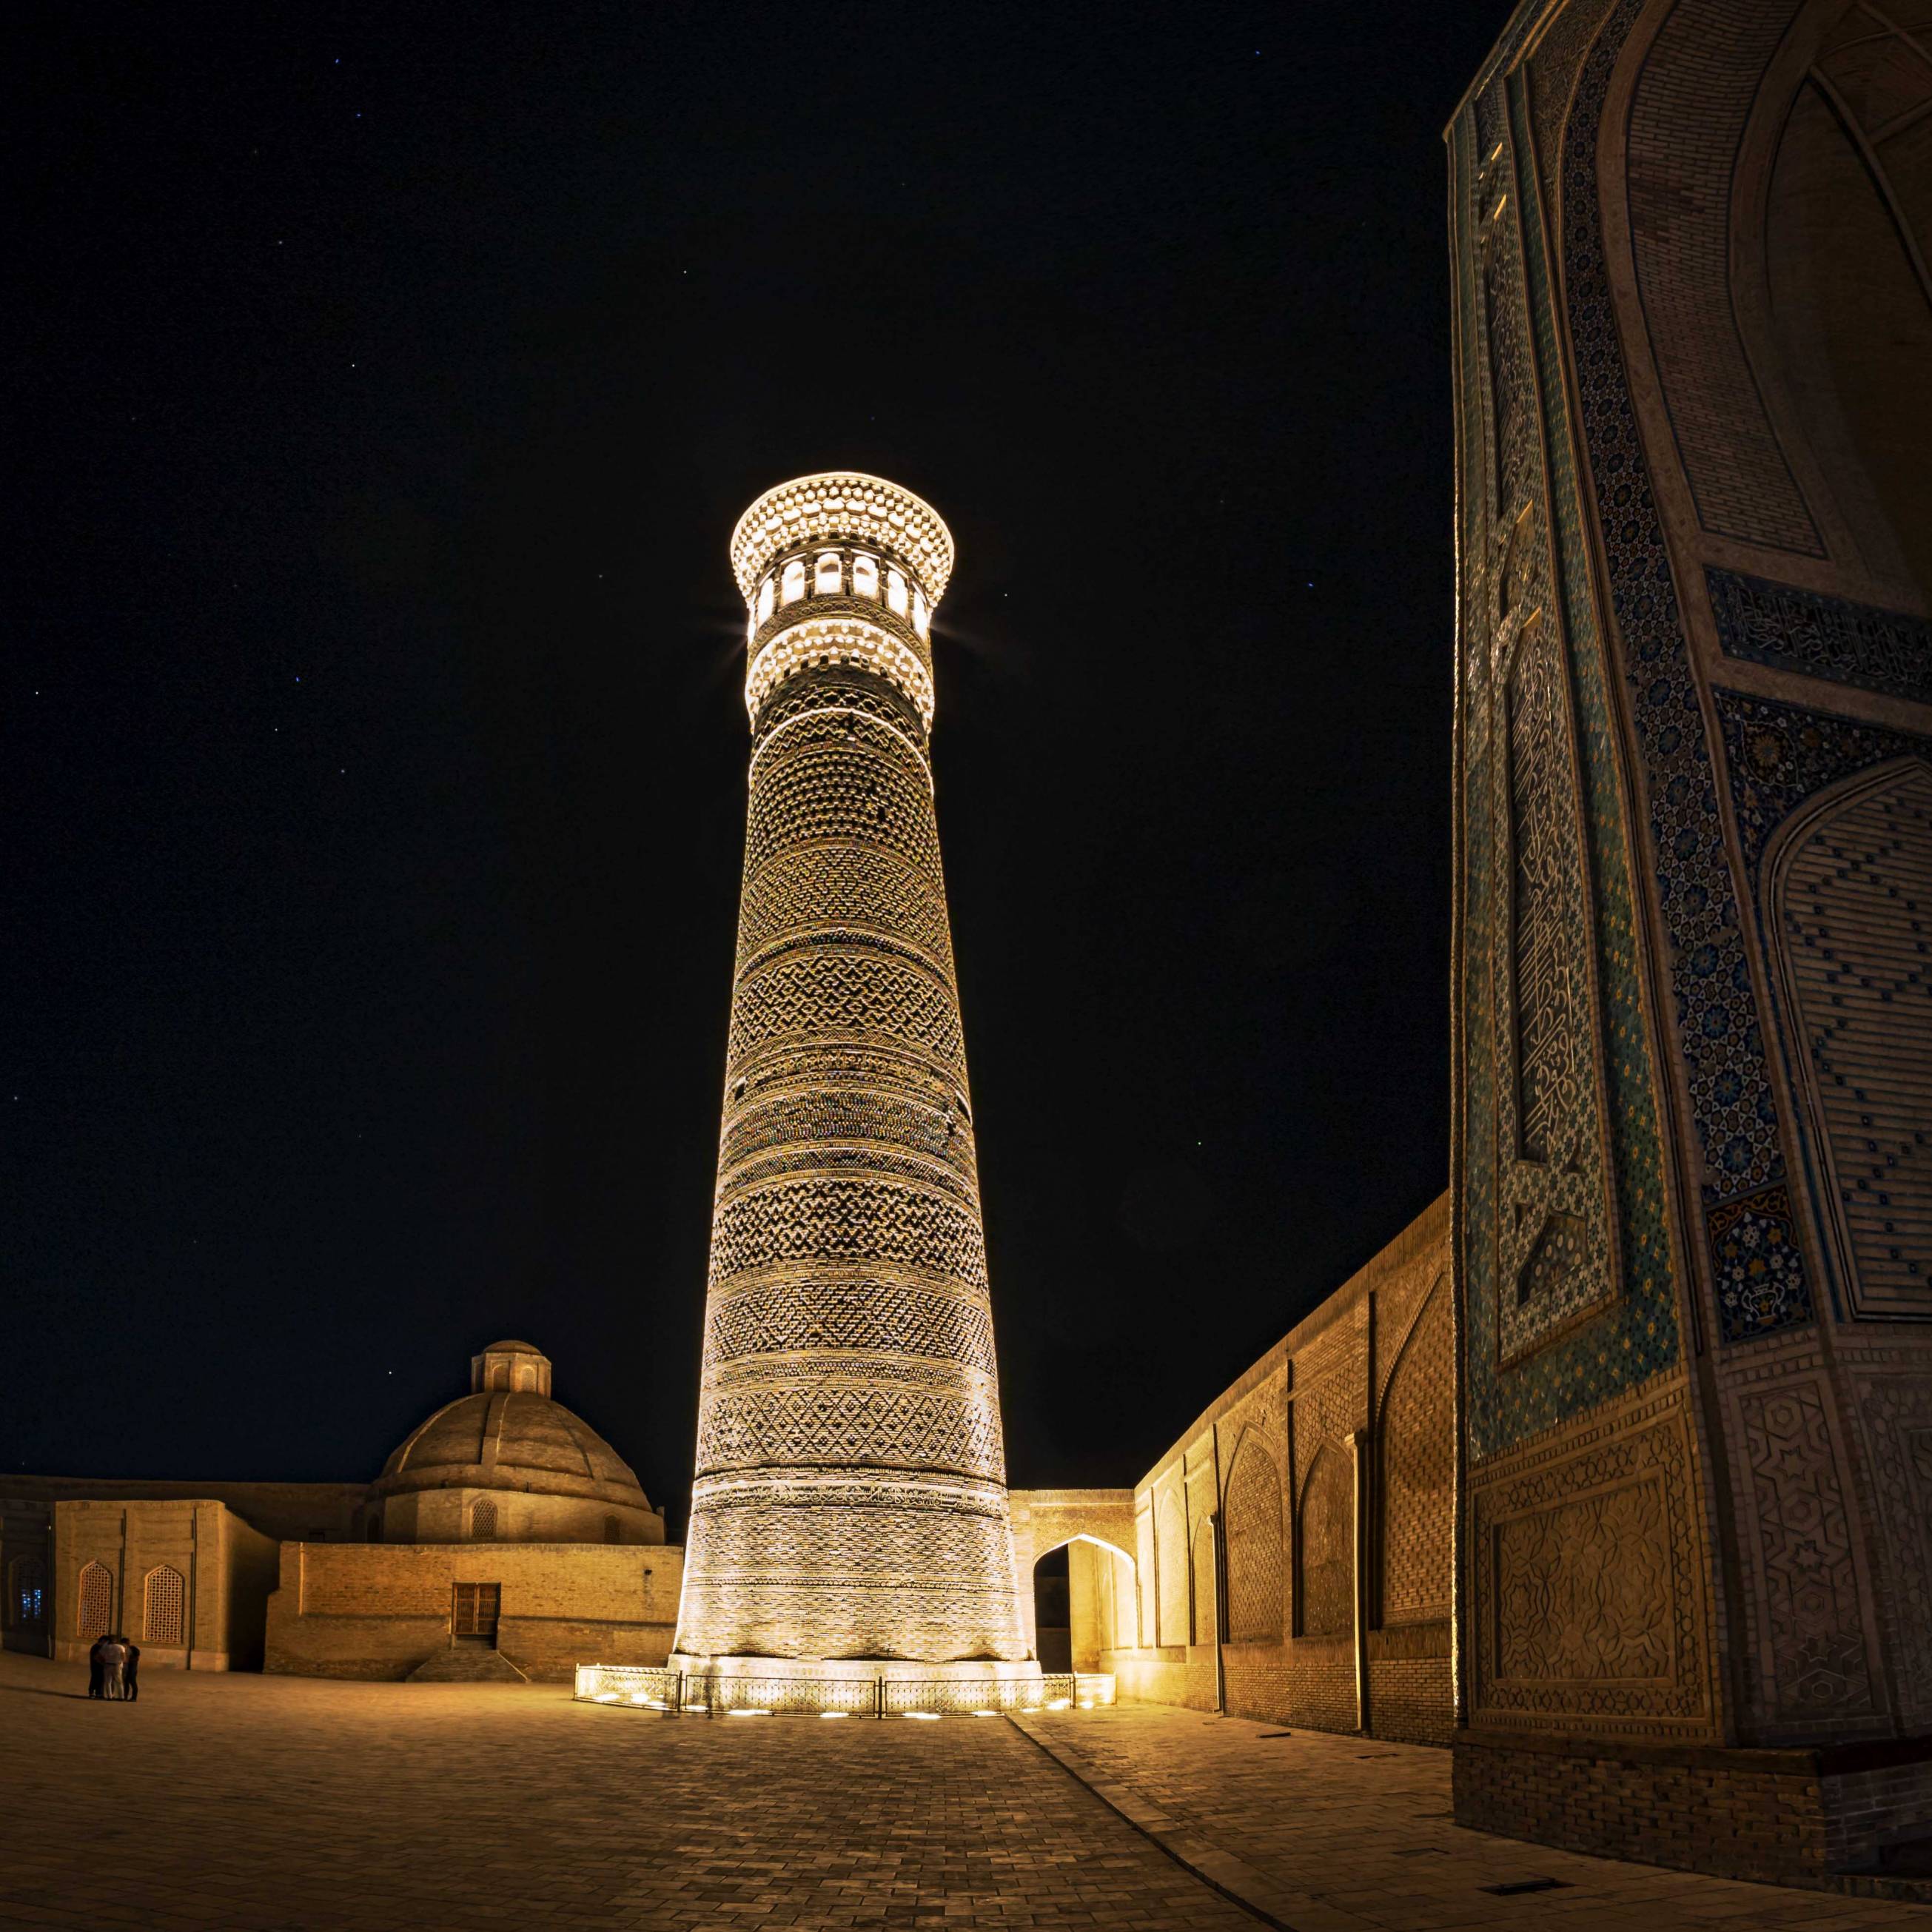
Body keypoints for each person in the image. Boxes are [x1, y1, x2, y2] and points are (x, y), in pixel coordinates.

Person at [100, 1632, 127, 1700]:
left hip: (108, 1665)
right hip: (117, 1665)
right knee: (119, 1682)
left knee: (108, 1682)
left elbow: (100, 1656)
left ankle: (110, 1697)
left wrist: (103, 1662)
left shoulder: (105, 1647)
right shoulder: (121, 1647)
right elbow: (124, 1658)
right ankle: (121, 1697)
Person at [87, 1634, 108, 1700]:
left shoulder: (96, 1646)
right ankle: (96, 1693)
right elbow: (96, 1657)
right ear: (103, 1641)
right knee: (97, 1679)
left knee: (97, 1679)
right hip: (97, 1666)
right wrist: (103, 1663)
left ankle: (96, 1693)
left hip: (96, 1666)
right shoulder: (97, 1647)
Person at [122, 1637, 141, 1703]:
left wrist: (128, 1661)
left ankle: (133, 1698)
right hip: (130, 1669)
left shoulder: (133, 1649)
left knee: (133, 1683)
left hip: (132, 1669)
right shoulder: (130, 1649)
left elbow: (137, 1658)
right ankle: (126, 1697)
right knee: (127, 1683)